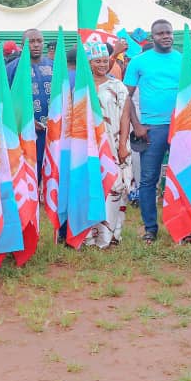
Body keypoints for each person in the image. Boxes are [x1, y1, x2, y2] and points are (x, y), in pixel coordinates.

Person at [122, 19, 181, 244]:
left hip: (179, 128)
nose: (165, 36)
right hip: (151, 128)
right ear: (152, 36)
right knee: (148, 180)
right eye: (160, 33)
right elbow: (125, 96)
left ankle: (182, 226)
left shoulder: (184, 60)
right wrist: (136, 125)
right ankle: (150, 228)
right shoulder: (139, 62)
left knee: (181, 177)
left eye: (169, 32)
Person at [86, 41, 131, 247]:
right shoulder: (81, 87)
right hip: (88, 145)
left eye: (105, 61)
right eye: (98, 61)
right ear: (89, 62)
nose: (102, 65)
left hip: (113, 143)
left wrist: (122, 144)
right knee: (90, 186)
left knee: (114, 186)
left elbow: (124, 116)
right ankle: (88, 236)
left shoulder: (117, 86)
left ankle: (111, 235)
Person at [6, 28, 54, 178]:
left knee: (52, 171)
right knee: (29, 172)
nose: (36, 45)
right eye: (31, 41)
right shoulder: (12, 68)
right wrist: (25, 120)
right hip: (26, 131)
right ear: (23, 45)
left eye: (39, 41)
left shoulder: (54, 66)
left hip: (53, 130)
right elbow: (7, 102)